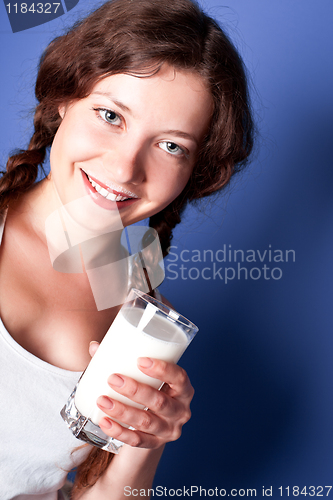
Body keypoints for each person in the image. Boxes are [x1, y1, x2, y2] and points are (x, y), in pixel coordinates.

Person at [0, 0, 254, 497]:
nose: (123, 168)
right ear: (63, 99)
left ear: (194, 171)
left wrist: (146, 440)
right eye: (110, 115)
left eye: (172, 145)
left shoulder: (145, 316)